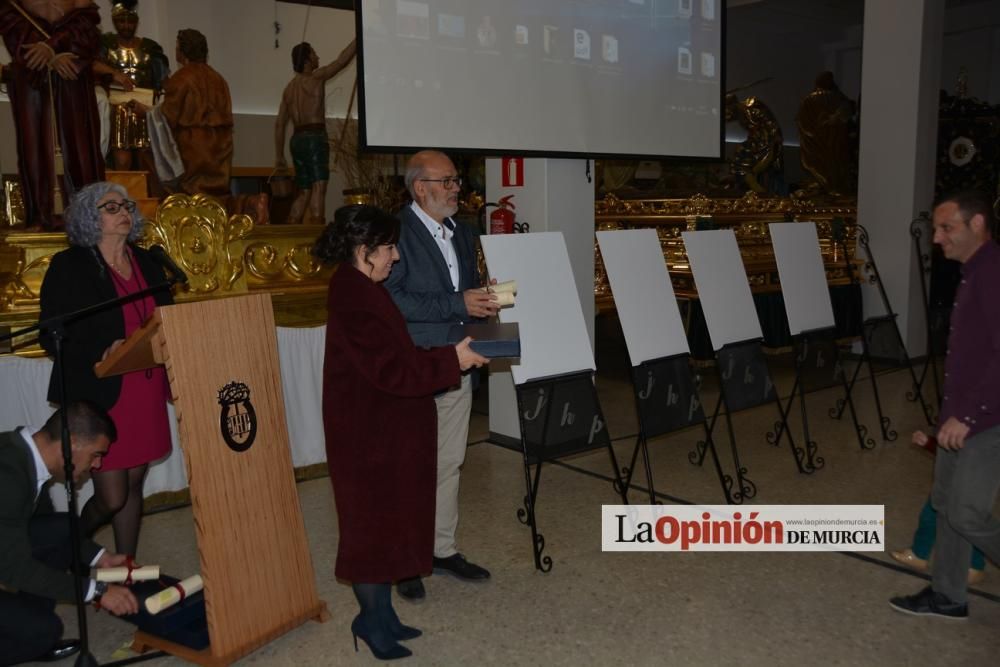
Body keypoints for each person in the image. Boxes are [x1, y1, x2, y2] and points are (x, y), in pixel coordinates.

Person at [316, 204, 487, 660]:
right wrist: (454, 361)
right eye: (389, 248)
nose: (395, 256)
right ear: (364, 250)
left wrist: (448, 356)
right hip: (367, 435)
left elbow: (394, 360)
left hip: (380, 429)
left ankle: (383, 616)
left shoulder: (362, 287)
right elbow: (391, 370)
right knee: (371, 531)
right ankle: (370, 622)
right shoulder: (355, 296)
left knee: (387, 523)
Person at [384, 150, 499, 601]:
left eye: (456, 179)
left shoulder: (462, 230)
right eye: (447, 180)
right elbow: (393, 299)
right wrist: (459, 303)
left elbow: (463, 293)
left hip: (458, 362)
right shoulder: (393, 233)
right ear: (420, 188)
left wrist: (483, 309)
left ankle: (440, 549)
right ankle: (404, 558)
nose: (456, 187)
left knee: (449, 461)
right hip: (414, 366)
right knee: (408, 464)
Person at [39, 181, 174, 559]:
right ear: (88, 217)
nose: (123, 212)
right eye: (111, 207)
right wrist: (101, 351)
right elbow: (52, 334)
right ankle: (65, 549)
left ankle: (126, 565)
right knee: (112, 495)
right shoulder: (71, 266)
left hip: (145, 385)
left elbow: (168, 318)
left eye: (126, 206)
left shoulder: (148, 262)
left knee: (133, 484)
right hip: (103, 391)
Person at [890, 191, 1000, 619]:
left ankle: (949, 592)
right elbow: (967, 359)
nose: (937, 238)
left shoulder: (992, 271)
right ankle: (948, 594)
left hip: (988, 419)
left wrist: (970, 416)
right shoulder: (972, 272)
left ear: (977, 225)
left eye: (946, 227)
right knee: (946, 503)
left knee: (966, 512)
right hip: (962, 417)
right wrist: (943, 423)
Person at [0, 400, 140, 665]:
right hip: (6, 564)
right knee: (44, 633)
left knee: (63, 527)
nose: (97, 465)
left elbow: (48, 527)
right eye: (96, 454)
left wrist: (99, 557)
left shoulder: (24, 455)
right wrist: (97, 591)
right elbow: (14, 570)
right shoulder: (7, 476)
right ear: (72, 443)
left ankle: (26, 617)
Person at [0, 0, 106, 229]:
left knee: (76, 145)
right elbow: (10, 22)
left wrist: (54, 47)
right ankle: (43, 214)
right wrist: (45, 51)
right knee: (36, 148)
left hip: (71, 76)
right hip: (32, 76)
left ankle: (83, 217)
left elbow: (88, 29)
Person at [140, 28, 232, 196]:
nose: (175, 51)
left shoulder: (181, 78)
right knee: (215, 195)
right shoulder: (220, 79)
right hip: (221, 147)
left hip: (192, 148)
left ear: (182, 52)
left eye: (176, 47)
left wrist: (146, 112)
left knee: (147, 160)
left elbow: (167, 116)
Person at [275, 39, 357, 225]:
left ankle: (290, 231)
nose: (317, 57)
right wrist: (358, 38)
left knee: (304, 189)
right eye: (314, 54)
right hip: (314, 138)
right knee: (319, 186)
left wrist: (279, 155)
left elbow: (279, 124)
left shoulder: (288, 89)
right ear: (306, 60)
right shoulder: (316, 78)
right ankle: (316, 233)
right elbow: (341, 61)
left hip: (296, 141)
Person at [889, 431, 986, 585]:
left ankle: (974, 565)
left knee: (964, 522)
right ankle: (919, 554)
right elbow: (951, 450)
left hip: (965, 481)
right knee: (933, 516)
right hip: (953, 479)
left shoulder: (977, 422)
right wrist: (929, 442)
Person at [99, 0, 170, 174]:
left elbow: (163, 80)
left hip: (144, 108)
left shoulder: (150, 48)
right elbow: (91, 66)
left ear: (136, 22)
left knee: (147, 158)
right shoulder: (105, 45)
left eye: (130, 21)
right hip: (117, 107)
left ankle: (148, 197)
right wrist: (114, 74)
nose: (126, 25)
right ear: (115, 21)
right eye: (121, 21)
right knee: (122, 158)